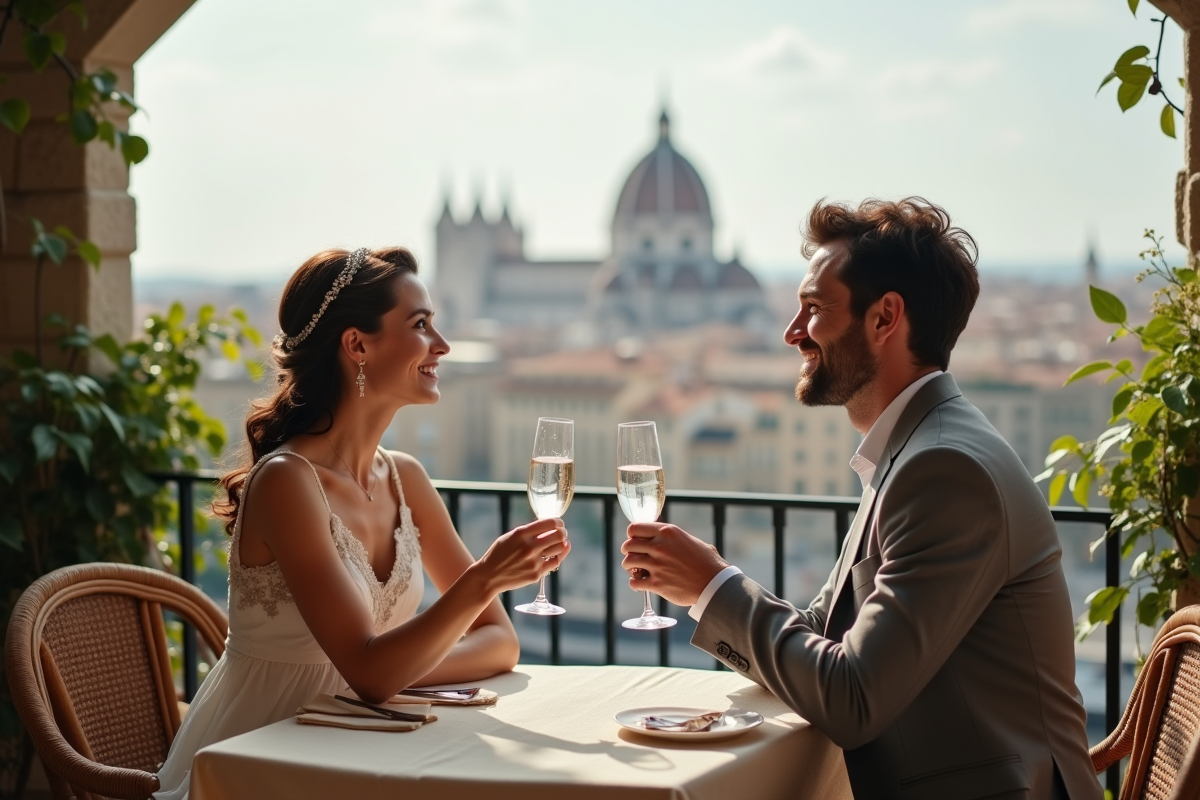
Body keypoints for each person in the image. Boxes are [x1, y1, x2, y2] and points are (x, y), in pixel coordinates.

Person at [621, 199, 1101, 800]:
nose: (793, 332)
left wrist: (716, 586)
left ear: (884, 319)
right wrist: (706, 586)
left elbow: (853, 697)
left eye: (815, 310)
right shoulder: (916, 448)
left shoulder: (943, 469)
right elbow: (827, 629)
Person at [154, 247, 570, 799]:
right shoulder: (287, 482)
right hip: (261, 762)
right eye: (420, 325)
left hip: (364, 745)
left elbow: (499, 643)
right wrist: (484, 578)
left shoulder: (407, 478)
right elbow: (372, 675)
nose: (442, 345)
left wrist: (395, 669)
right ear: (357, 345)